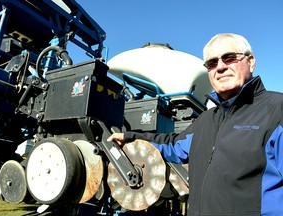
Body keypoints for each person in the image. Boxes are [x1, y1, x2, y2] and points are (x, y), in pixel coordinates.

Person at [107, 33, 283, 216]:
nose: (221, 67)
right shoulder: (206, 120)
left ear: (251, 61)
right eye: (212, 63)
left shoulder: (277, 110)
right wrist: (131, 137)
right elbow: (172, 145)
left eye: (229, 58)